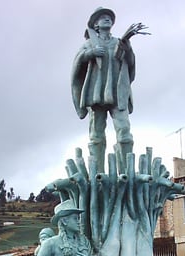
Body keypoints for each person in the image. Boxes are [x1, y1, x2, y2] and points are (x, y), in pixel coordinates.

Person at [71, 7, 135, 174]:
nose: (107, 19)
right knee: (96, 135)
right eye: (103, 18)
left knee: (125, 132)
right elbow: (77, 66)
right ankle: (97, 174)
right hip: (96, 93)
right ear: (96, 25)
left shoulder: (117, 42)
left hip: (116, 93)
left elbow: (130, 63)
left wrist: (126, 48)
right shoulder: (89, 44)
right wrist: (90, 54)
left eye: (109, 17)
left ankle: (126, 174)